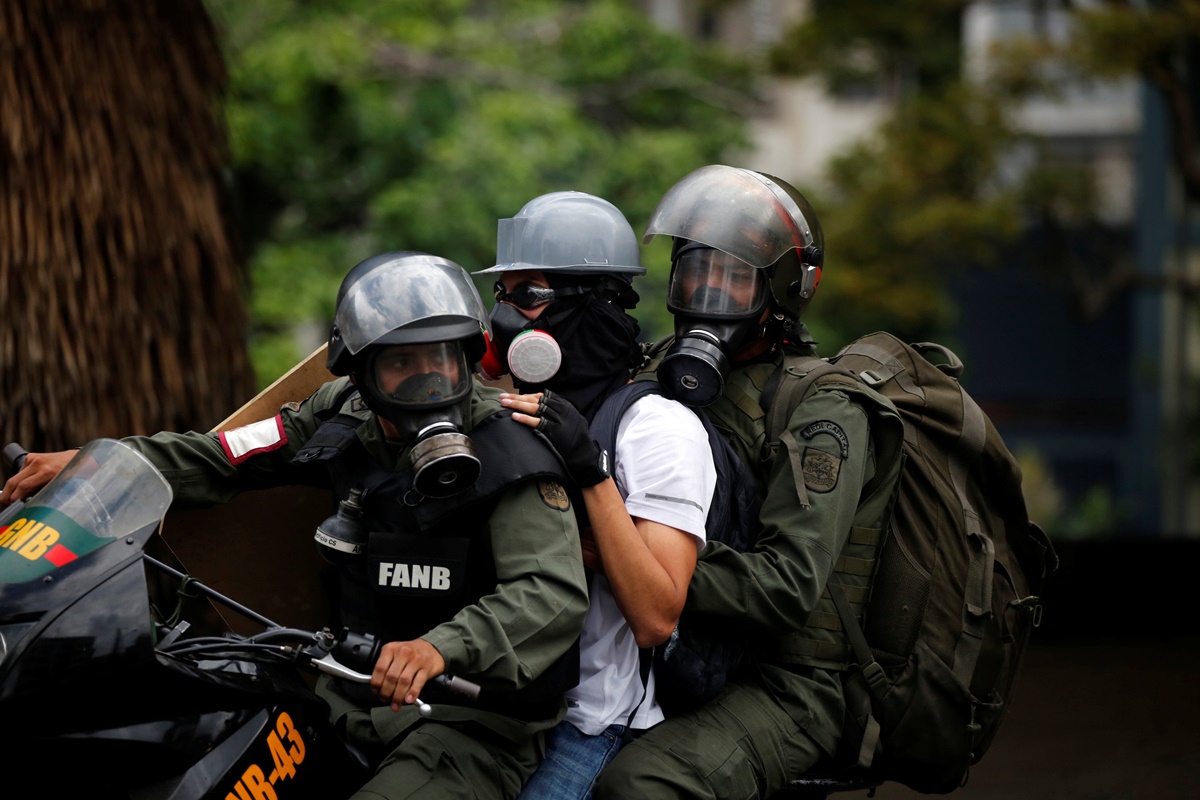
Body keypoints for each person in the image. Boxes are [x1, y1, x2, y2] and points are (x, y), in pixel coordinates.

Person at [1, 251, 590, 800]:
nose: (428, 380)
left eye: (443, 358)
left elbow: (547, 594)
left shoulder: (512, 456)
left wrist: (437, 650)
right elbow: (220, 457)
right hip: (344, 695)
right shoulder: (340, 416)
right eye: (401, 363)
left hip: (471, 723)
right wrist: (97, 462)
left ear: (468, 358)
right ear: (359, 375)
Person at [590, 165, 905, 800]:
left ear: (782, 292)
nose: (707, 294)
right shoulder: (649, 377)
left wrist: (637, 560)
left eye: (733, 280)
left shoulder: (824, 413)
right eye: (695, 272)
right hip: (674, 652)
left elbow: (789, 588)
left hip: (786, 682)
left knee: (641, 784)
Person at [474, 191, 717, 800]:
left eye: (529, 296)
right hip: (495, 704)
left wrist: (591, 471)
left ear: (592, 306)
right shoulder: (503, 411)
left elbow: (657, 617)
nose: (507, 317)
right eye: (503, 295)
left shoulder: (658, 428)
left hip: (592, 723)